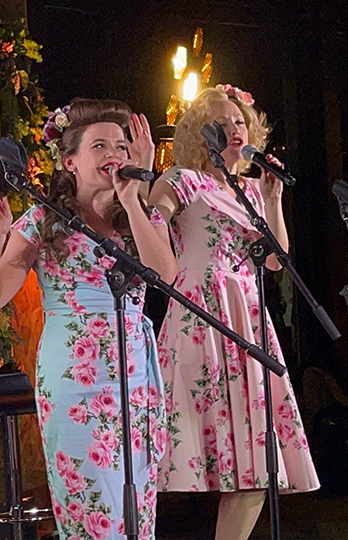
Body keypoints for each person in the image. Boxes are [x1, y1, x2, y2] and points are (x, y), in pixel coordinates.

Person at [0, 98, 177, 539]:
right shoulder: (44, 220)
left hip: (135, 374)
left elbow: (165, 277)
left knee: (136, 508)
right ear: (70, 161)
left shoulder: (142, 217)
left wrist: (133, 199)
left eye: (122, 146)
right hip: (75, 376)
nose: (114, 154)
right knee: (92, 508)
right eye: (100, 145)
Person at [147, 85, 319, 540]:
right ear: (200, 133)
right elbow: (153, 219)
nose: (234, 130)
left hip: (247, 313)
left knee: (257, 462)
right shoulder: (182, 178)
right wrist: (152, 210)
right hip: (200, 310)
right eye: (221, 124)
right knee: (179, 451)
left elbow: (277, 259)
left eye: (239, 121)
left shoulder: (251, 191)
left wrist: (274, 198)